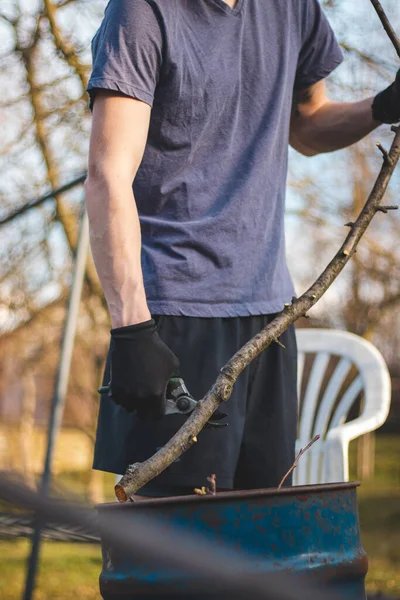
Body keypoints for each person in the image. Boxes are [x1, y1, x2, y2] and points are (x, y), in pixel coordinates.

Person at [85, 0, 400, 497]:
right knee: (182, 549)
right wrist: (131, 328)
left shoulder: (293, 7)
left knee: (263, 532)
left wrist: (382, 107)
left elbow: (309, 123)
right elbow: (108, 174)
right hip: (175, 318)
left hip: (271, 315)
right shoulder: (143, 11)